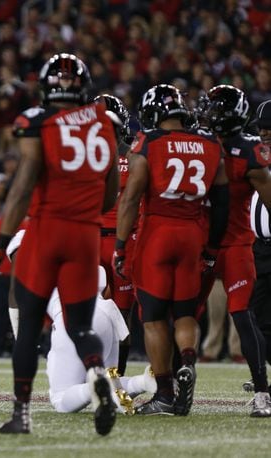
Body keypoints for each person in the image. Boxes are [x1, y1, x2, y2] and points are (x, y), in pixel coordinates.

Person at [0, 53, 120, 435]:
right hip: (85, 235)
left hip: (46, 230)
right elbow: (110, 196)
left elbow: (24, 182)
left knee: (29, 325)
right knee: (80, 326)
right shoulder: (104, 121)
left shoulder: (37, 120)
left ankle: (22, 414)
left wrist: (1, 240)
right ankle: (97, 371)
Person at [115, 84, 229, 416]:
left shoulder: (147, 143)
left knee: (152, 318)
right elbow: (221, 203)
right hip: (193, 233)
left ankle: (165, 392)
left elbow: (132, 197)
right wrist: (211, 246)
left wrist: (121, 246)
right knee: (184, 314)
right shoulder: (210, 144)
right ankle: (188, 362)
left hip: (157, 234)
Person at [5, 230, 155, 415]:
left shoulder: (26, 243)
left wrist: (21, 340)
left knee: (61, 398)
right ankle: (143, 381)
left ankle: (96, 388)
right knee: (109, 379)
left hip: (73, 319)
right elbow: (104, 284)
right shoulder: (75, 236)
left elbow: (15, 294)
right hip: (106, 314)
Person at [196, 85, 271, 416]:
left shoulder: (250, 151)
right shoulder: (198, 144)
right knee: (183, 312)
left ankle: (262, 391)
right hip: (201, 242)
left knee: (244, 315)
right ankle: (170, 388)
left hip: (236, 244)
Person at [95, 94, 138, 376]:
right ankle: (90, 376)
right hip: (97, 239)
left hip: (119, 240)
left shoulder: (133, 155)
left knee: (121, 317)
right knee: (85, 312)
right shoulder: (84, 155)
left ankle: (117, 380)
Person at [248, 99, 271, 388]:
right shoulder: (258, 155)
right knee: (254, 317)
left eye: (270, 129)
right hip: (258, 248)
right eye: (262, 128)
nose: (264, 133)